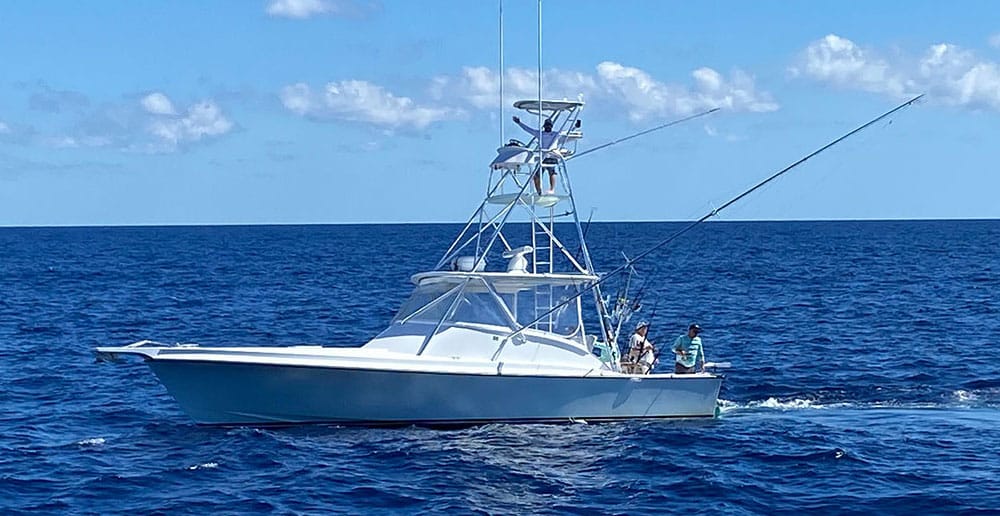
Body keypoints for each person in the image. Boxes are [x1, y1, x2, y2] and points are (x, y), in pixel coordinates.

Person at [512, 115, 566, 195]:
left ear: (552, 126)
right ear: (544, 126)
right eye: (546, 126)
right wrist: (519, 123)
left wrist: (576, 126)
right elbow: (528, 129)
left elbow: (567, 132)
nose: (548, 127)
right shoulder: (540, 134)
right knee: (535, 176)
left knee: (552, 172)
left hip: (552, 155)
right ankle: (539, 192)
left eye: (549, 126)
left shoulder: (556, 134)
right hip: (543, 157)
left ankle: (552, 189)